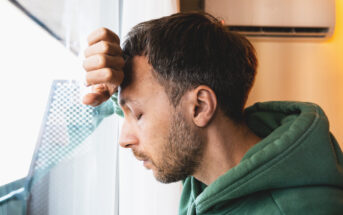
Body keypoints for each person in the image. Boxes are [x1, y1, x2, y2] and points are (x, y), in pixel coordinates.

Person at [82, 12, 343, 214]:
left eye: (138, 115)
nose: (124, 139)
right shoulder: (209, 167)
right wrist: (108, 85)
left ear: (200, 107)